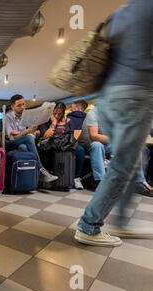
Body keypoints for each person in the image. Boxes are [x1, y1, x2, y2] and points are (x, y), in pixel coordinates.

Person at [75, 0, 153, 246]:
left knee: (135, 158)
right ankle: (89, 225)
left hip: (109, 96)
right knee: (124, 164)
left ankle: (121, 222)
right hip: (134, 94)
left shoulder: (121, 12)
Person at [4, 94, 59, 184]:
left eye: (24, 104)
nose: (23, 107)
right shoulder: (7, 118)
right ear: (12, 107)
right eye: (19, 105)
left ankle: (26, 181)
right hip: (11, 144)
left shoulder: (29, 116)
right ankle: (41, 169)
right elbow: (12, 138)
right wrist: (26, 132)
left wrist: (24, 133)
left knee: (23, 147)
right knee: (28, 137)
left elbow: (32, 136)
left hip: (24, 143)